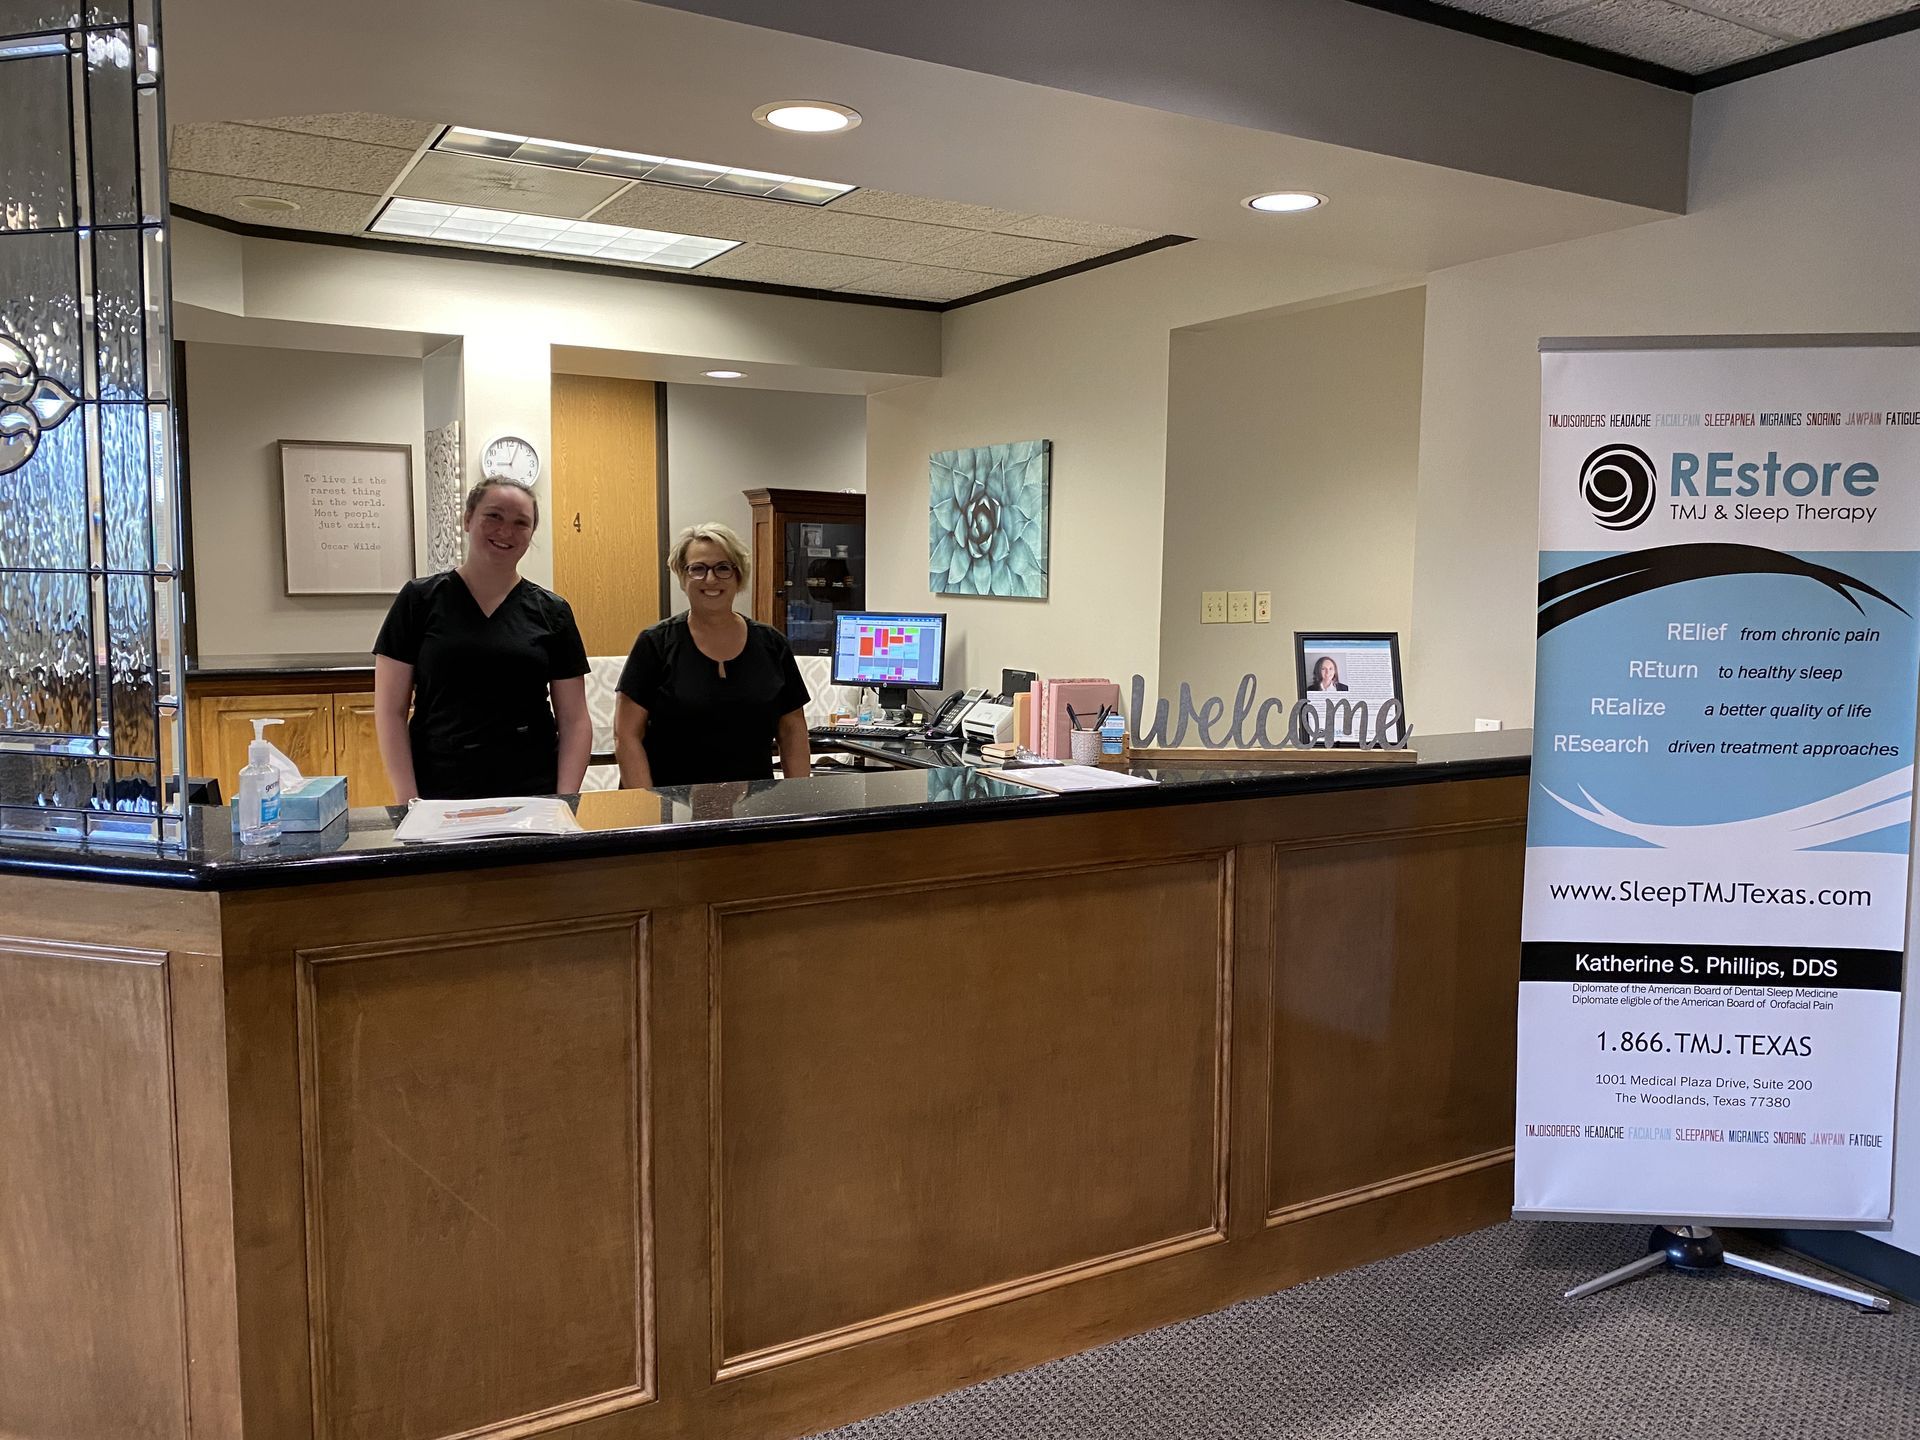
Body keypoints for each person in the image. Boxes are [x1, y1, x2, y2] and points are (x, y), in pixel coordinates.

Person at [372, 478, 591, 800]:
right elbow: (390, 711)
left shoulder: (552, 611)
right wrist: (408, 801)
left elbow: (575, 720)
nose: (506, 531)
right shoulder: (419, 600)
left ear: (531, 534)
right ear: (468, 519)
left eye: (521, 523)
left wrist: (565, 799)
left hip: (530, 788)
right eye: (494, 516)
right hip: (439, 786)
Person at [615, 522, 810, 787]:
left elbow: (792, 732)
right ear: (682, 577)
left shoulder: (772, 645)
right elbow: (626, 735)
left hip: (752, 807)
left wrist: (798, 801)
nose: (710, 579)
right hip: (673, 809)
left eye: (723, 568)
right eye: (698, 569)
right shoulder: (655, 644)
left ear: (738, 575)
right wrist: (647, 807)